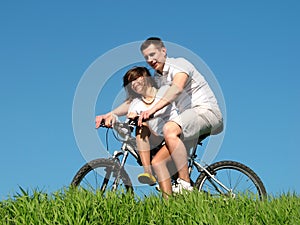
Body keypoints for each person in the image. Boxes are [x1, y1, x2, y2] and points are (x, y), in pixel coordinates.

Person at [137, 37, 223, 196]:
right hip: (188, 119)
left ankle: (185, 185)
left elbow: (176, 88)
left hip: (206, 112)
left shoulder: (179, 64)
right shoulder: (158, 78)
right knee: (157, 162)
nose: (150, 60)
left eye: (152, 54)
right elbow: (150, 102)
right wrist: (115, 117)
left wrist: (152, 110)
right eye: (146, 57)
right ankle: (170, 209)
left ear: (163, 51)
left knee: (169, 129)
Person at [123, 66, 178, 185]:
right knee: (141, 127)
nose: (133, 83)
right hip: (156, 139)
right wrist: (114, 122)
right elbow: (130, 117)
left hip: (173, 135)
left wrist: (148, 114)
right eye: (130, 82)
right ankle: (148, 172)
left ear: (146, 78)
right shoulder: (136, 103)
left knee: (143, 125)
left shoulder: (163, 91)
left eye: (136, 78)